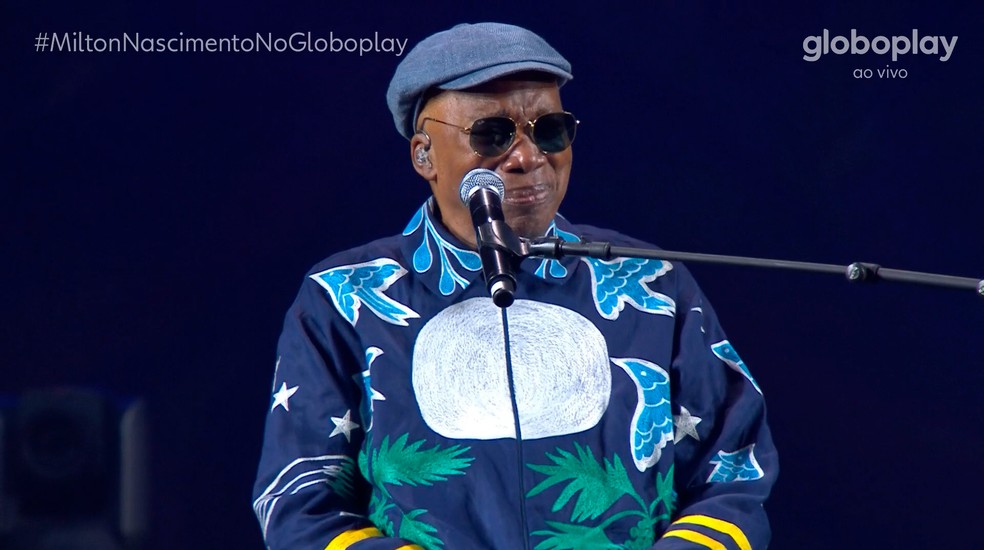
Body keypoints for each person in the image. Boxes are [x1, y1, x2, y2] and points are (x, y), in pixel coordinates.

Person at [253, 22, 777, 550]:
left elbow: (733, 473)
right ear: (424, 155)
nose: (528, 157)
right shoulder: (342, 298)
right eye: (492, 135)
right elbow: (300, 506)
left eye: (549, 129)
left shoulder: (651, 280)